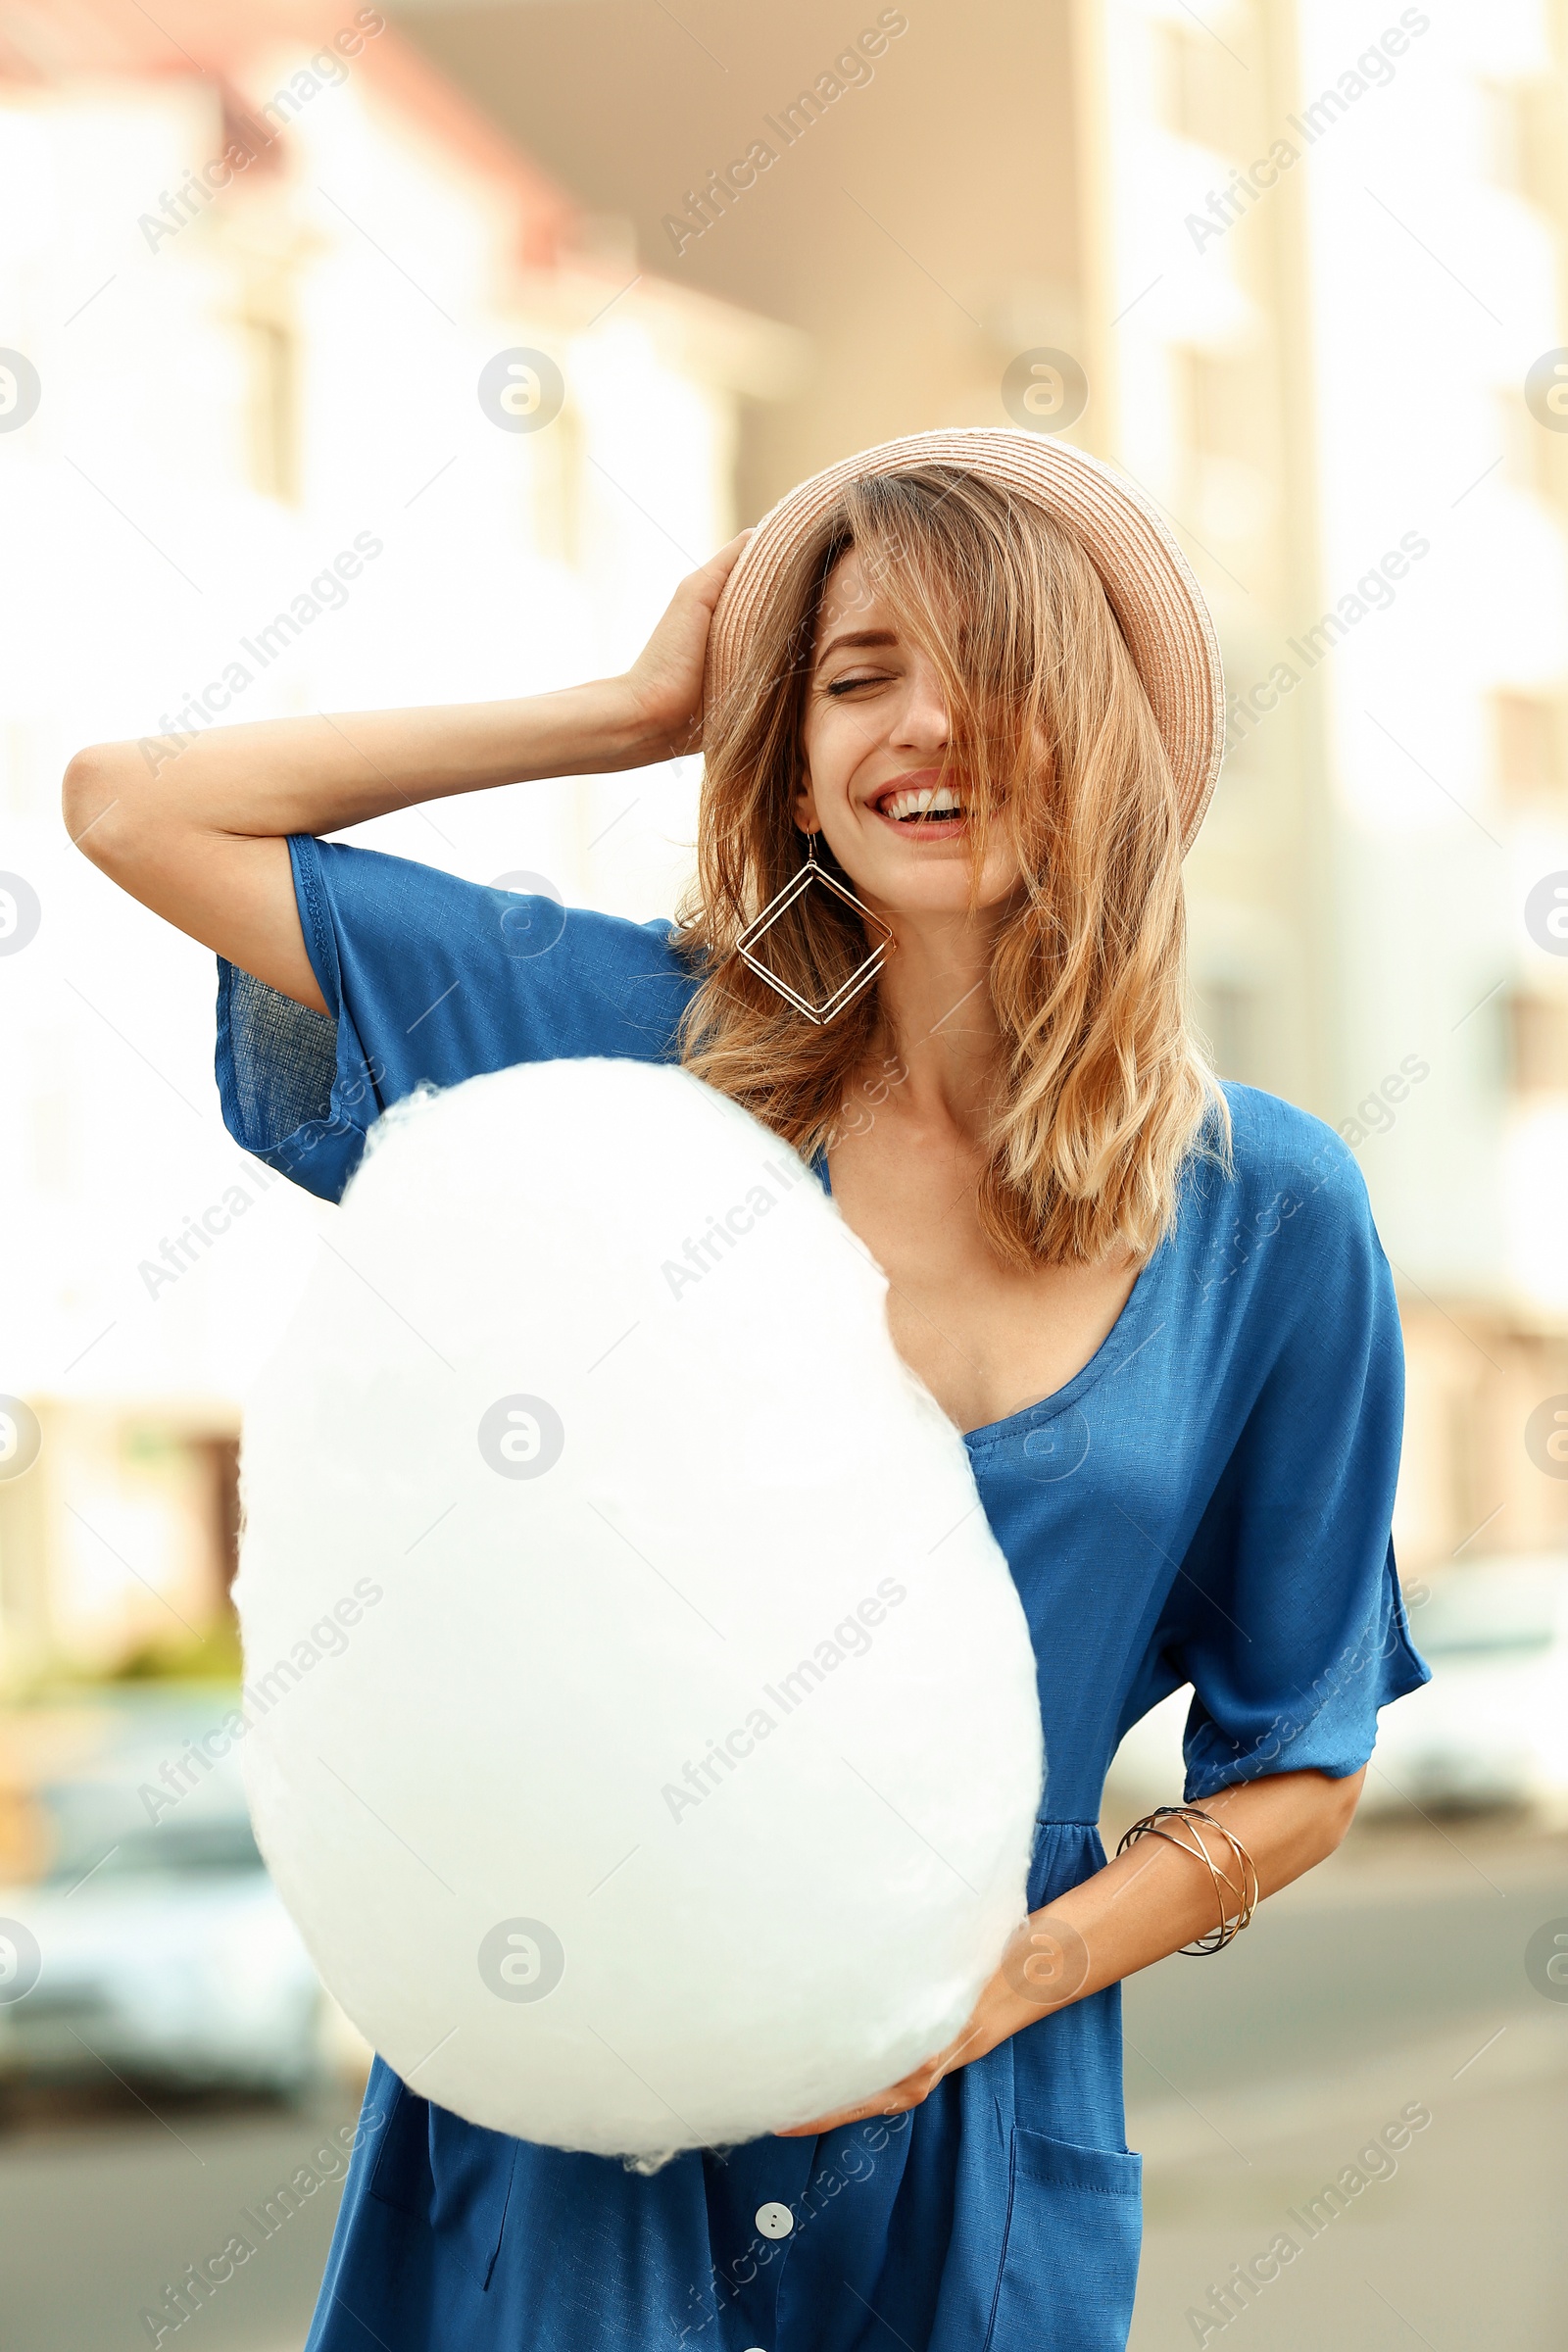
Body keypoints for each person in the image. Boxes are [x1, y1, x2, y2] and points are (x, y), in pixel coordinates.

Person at [64, 428, 1427, 2352]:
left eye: (989, 671)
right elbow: (136, 808)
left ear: (1105, 734)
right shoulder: (625, 1039)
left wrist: (999, 1988)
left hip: (970, 2144)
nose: (918, 727)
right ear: (788, 761)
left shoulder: (1264, 1210)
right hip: (566, 2142)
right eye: (855, 677)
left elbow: (1299, 1758)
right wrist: (622, 711)